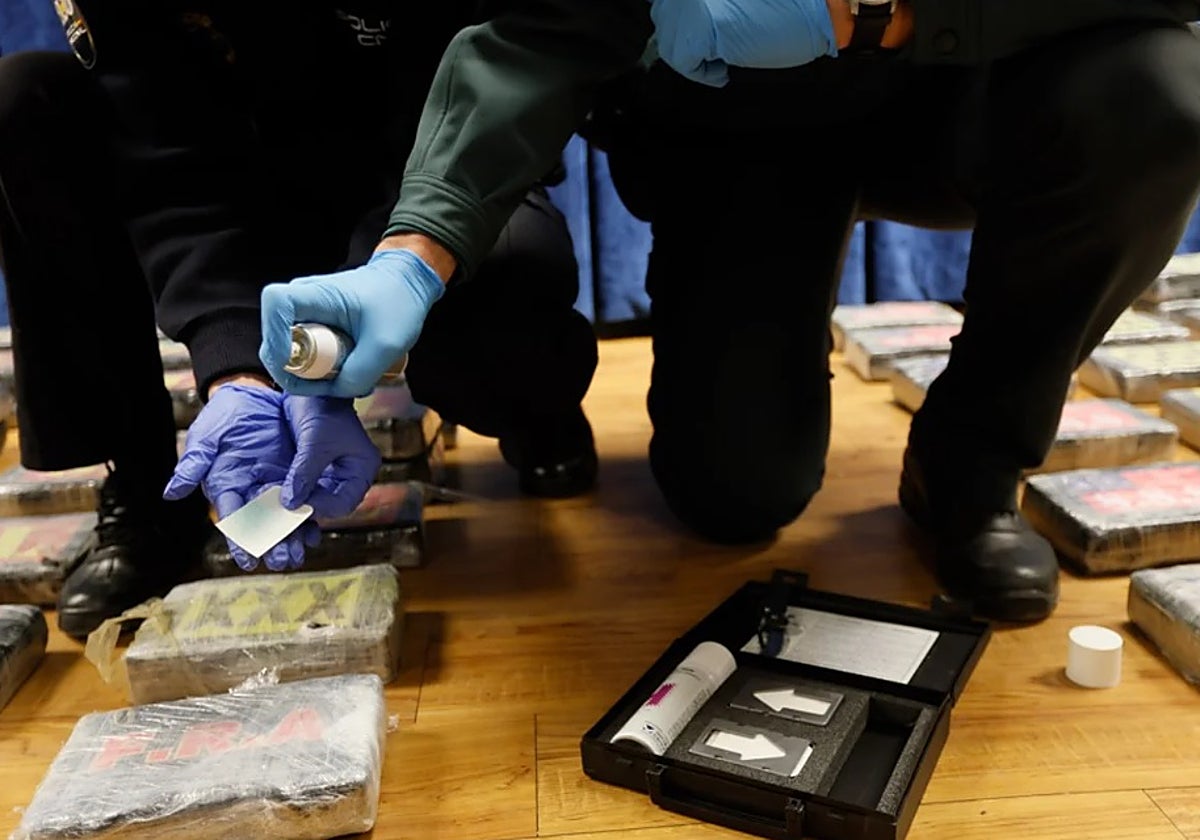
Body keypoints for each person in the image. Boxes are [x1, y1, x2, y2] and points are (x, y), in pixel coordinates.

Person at [249, 0, 1200, 625]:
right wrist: (415, 256)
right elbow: (544, 29)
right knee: (735, 497)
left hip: (967, 82)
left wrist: (883, 15)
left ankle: (971, 463)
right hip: (740, 117)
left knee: (1157, 92)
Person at [1, 1, 598, 637]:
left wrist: (346, 325)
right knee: (26, 101)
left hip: (420, 168)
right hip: (243, 180)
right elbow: (164, 166)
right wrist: (234, 370)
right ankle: (152, 496)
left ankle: (536, 413)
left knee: (509, 298)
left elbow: (466, 103)